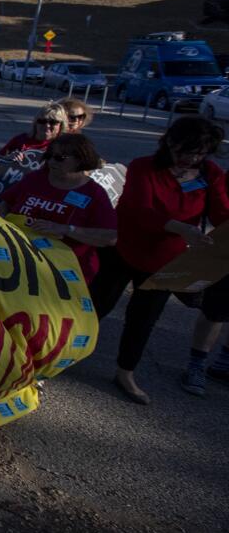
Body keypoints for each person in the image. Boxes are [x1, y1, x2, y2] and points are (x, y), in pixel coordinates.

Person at [89, 117, 229, 404]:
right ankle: (57, 355)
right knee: (96, 306)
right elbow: (138, 210)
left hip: (166, 261)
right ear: (168, 142)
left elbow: (220, 214)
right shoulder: (143, 167)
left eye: (199, 153)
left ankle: (125, 372)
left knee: (143, 320)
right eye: (184, 152)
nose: (190, 159)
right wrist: (181, 227)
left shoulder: (210, 173)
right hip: (124, 248)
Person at [0, 134, 116, 284]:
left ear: (80, 159)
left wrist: (66, 229)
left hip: (64, 273)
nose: (52, 161)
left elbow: (110, 237)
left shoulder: (94, 193)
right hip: (20, 260)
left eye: (60, 158)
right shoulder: (35, 178)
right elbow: (5, 202)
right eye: (49, 156)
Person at [0, 102, 66, 159]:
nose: (47, 125)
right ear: (36, 123)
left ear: (61, 125)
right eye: (42, 121)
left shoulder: (63, 147)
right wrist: (7, 159)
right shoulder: (20, 140)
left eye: (53, 122)